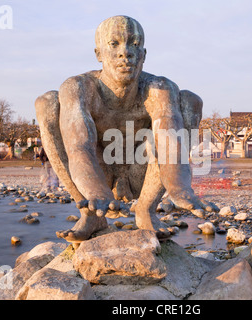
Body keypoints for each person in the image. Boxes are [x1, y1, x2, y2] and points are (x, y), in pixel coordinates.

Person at [35, 16, 212, 244]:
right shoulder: (79, 87)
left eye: (134, 44)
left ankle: (146, 210)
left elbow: (170, 139)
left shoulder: (159, 88)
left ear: (143, 56)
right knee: (47, 103)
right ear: (99, 54)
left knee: (190, 102)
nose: (125, 52)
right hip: (98, 169)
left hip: (142, 170)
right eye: (114, 44)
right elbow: (79, 144)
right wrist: (95, 191)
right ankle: (91, 215)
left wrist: (179, 187)